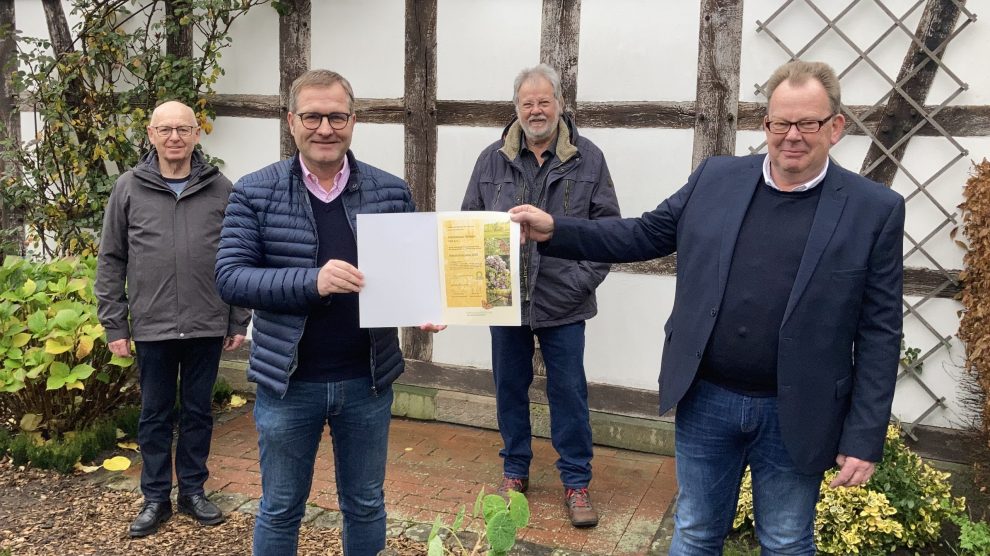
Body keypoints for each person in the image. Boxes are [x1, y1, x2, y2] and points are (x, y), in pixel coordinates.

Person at [509, 60, 905, 554]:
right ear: (766, 125)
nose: (793, 136)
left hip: (797, 410)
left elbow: (881, 332)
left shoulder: (874, 209)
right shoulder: (717, 178)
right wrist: (557, 229)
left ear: (836, 127)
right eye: (781, 122)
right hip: (707, 400)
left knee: (785, 540)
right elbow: (643, 233)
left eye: (809, 123)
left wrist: (864, 436)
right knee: (695, 532)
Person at [215, 69, 443, 556]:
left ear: (353, 121)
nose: (325, 128)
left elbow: (413, 269)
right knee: (280, 507)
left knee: (365, 503)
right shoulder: (255, 191)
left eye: (336, 116)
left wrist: (426, 303)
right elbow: (230, 277)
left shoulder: (390, 190)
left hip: (367, 380)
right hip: (288, 383)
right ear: (292, 121)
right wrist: (311, 280)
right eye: (313, 116)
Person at [461, 63, 620, 528]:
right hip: (505, 299)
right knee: (509, 387)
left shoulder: (588, 157)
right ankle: (515, 470)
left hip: (564, 303)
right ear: (516, 108)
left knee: (567, 391)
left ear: (560, 104)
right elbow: (470, 224)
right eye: (527, 103)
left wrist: (580, 281)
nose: (536, 110)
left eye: (543, 101)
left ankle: (576, 480)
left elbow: (608, 231)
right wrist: (480, 287)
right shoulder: (491, 159)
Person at [95, 100, 250, 538]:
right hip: (152, 324)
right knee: (155, 413)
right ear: (150, 134)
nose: (174, 137)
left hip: (206, 322)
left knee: (199, 412)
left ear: (197, 134)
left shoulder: (221, 188)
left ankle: (194, 492)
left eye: (183, 129)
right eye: (165, 130)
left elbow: (240, 257)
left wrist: (239, 320)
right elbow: (111, 259)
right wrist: (114, 325)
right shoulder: (128, 188)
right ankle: (156, 497)